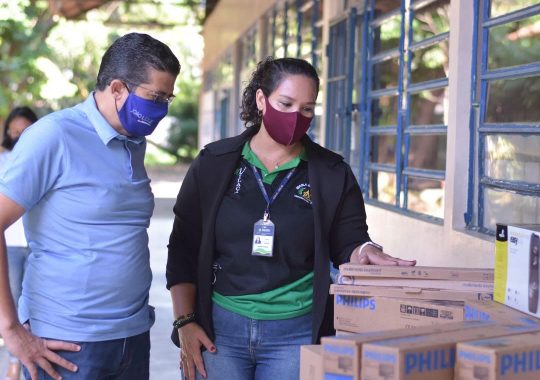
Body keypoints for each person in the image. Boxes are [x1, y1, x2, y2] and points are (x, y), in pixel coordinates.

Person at [166, 57, 416, 380]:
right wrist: (185, 322)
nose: (297, 117)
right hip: (220, 332)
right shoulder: (214, 164)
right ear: (261, 99)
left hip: (294, 337)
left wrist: (364, 250)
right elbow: (183, 247)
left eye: (308, 109)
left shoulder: (331, 173)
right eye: (286, 103)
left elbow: (350, 238)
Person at [0, 32, 180, 380]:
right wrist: (11, 331)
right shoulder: (53, 136)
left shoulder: (134, 142)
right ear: (116, 88)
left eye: (167, 98)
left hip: (131, 337)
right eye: (155, 97)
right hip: (66, 345)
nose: (161, 109)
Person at [0, 106, 38, 380]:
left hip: (37, 243)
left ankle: (27, 360)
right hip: (10, 244)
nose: (18, 136)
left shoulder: (42, 157)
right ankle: (15, 360)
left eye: (25, 131)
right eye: (14, 132)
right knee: (11, 305)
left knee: (33, 305)